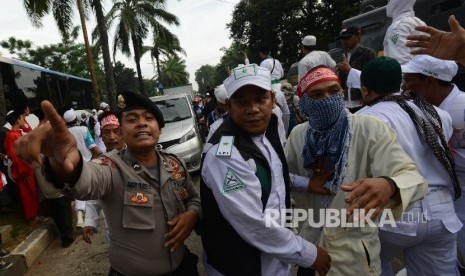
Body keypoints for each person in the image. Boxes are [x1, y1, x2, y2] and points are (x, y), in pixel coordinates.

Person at [15, 91, 201, 275]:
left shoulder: (175, 164)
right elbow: (85, 182)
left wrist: (192, 214)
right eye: (132, 119)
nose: (142, 123)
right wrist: (61, 162)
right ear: (122, 131)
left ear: (159, 129)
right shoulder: (110, 166)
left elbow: (193, 199)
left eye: (149, 118)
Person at [285, 66, 427, 275]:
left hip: (355, 254)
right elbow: (280, 179)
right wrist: (306, 186)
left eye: (333, 91)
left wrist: (389, 185)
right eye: (317, 94)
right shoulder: (299, 135)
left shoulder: (370, 128)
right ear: (304, 102)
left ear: (342, 92)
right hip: (310, 249)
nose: (327, 99)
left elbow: (412, 177)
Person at [201, 63, 332, 276]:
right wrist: (308, 253)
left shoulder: (267, 129)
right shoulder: (224, 154)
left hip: (275, 255)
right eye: (241, 102)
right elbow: (253, 224)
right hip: (242, 264)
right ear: (228, 106)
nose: (252, 109)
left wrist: (307, 184)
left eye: (260, 99)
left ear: (272, 100)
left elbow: (272, 176)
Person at [357, 56, 461, 275]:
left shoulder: (362, 120)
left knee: (370, 266)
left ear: (365, 90)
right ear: (399, 83)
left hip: (394, 211)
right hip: (441, 212)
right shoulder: (438, 114)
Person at [401, 54, 465, 265]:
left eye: (409, 79)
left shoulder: (461, 107)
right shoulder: (421, 108)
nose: (404, 86)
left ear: (429, 80)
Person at [82, 111, 125, 244]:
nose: (112, 137)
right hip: (116, 236)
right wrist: (89, 221)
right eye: (106, 133)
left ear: (124, 133)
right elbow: (93, 197)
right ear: (101, 137)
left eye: (116, 131)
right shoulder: (99, 165)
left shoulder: (139, 157)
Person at [34, 108, 75, 248]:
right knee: (63, 206)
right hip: (54, 175)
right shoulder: (48, 131)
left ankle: (64, 235)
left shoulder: (33, 134)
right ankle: (68, 236)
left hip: (42, 177)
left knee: (54, 208)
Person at [63, 109, 102, 229]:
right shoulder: (83, 130)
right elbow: (92, 147)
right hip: (87, 164)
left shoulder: (63, 134)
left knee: (78, 192)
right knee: (92, 191)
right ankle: (92, 218)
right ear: (76, 119)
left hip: (72, 167)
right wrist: (100, 155)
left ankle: (80, 216)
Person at [4, 110, 42, 223]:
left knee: (32, 192)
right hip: (22, 171)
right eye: (21, 118)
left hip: (27, 168)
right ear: (17, 120)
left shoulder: (17, 133)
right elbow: (14, 157)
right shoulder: (11, 136)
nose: (23, 120)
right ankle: (32, 217)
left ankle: (35, 215)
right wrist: (24, 171)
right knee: (27, 194)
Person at [336, 25, 376, 112]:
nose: (344, 41)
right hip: (346, 103)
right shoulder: (343, 56)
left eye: (347, 38)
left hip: (362, 101)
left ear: (358, 36)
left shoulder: (368, 53)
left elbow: (372, 76)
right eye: (342, 38)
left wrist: (368, 95)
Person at [383, 0, 425, 65]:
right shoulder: (420, 23)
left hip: (409, 74)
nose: (388, 3)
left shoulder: (397, 28)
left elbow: (401, 63)